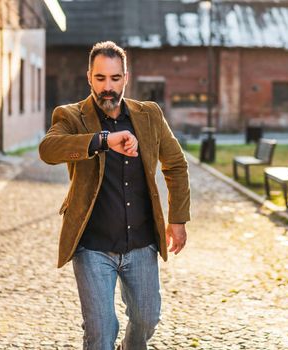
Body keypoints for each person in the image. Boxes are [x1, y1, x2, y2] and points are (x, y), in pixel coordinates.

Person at [39, 41, 190, 350]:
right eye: (100, 78)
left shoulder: (149, 115)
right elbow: (48, 149)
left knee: (147, 319)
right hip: (92, 246)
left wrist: (178, 219)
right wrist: (103, 140)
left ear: (126, 77)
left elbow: (175, 164)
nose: (108, 87)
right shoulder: (71, 116)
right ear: (89, 77)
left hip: (141, 243)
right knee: (101, 332)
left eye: (115, 78)